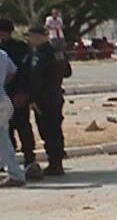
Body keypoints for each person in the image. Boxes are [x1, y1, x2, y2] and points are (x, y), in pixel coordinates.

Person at [23, 25, 70, 177]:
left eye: (30, 36)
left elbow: (35, 78)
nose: (29, 40)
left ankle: (54, 164)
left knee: (47, 130)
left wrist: (33, 99)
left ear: (38, 36)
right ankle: (57, 162)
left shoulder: (40, 55)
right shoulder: (58, 52)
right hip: (56, 95)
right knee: (56, 130)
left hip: (44, 99)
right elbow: (67, 72)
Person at [0, 20, 33, 180]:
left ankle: (27, 161)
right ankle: (9, 165)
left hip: (17, 94)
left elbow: (25, 72)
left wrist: (24, 91)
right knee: (7, 132)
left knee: (22, 127)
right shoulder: (3, 52)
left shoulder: (20, 48)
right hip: (5, 95)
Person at [0, 46, 21, 186]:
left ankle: (15, 174)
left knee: (2, 138)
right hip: (3, 98)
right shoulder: (2, 54)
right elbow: (13, 72)